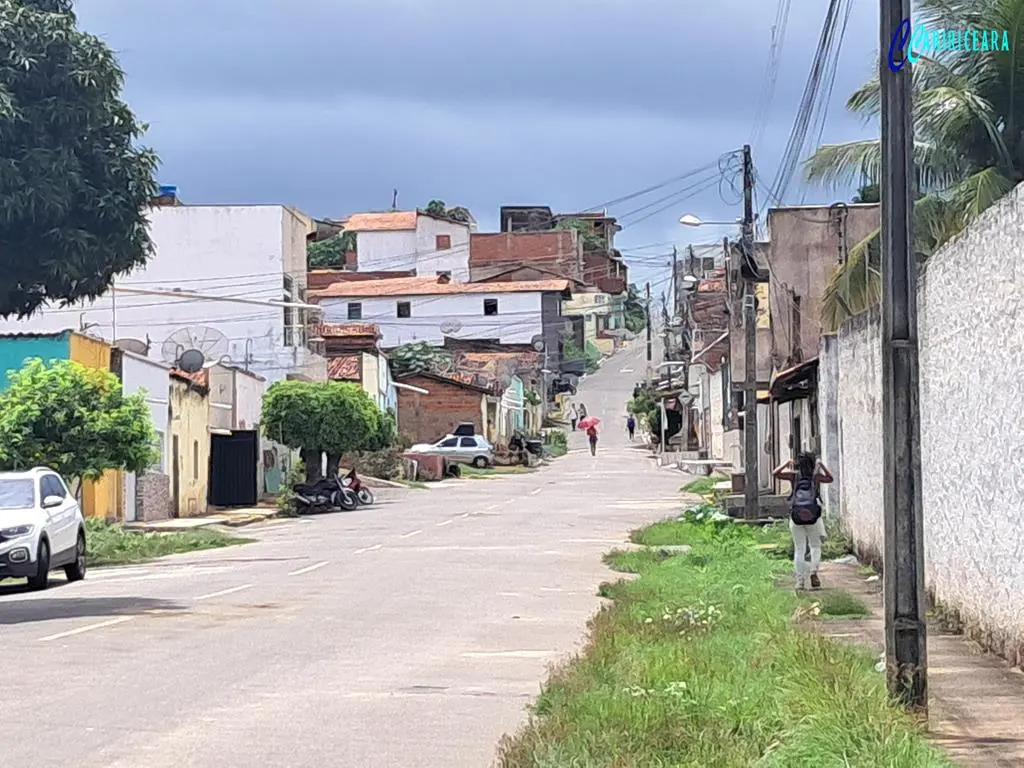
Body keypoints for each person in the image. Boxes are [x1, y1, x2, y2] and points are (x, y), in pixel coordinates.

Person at [772, 452, 834, 590]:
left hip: (796, 516)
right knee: (815, 546)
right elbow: (830, 478)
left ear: (798, 464)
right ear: (813, 463)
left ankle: (800, 581)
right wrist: (821, 465)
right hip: (813, 516)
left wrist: (787, 463)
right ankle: (813, 572)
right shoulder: (816, 477)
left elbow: (775, 473)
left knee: (799, 549)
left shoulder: (793, 476)